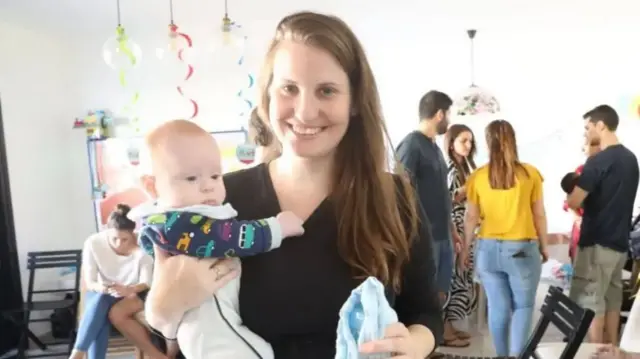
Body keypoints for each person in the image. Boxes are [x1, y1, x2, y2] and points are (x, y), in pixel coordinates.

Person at [150, 11, 443, 359]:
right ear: (268, 97)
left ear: (353, 103)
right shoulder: (219, 201)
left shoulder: (394, 199)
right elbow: (174, 340)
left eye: (327, 91)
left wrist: (416, 344)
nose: (304, 112)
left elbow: (425, 314)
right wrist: (161, 309)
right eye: (289, 88)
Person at [129, 119, 304, 359]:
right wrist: (276, 228)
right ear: (153, 186)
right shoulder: (176, 223)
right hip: (208, 324)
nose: (208, 187)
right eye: (191, 178)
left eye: (215, 176)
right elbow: (227, 238)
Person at [460, 120, 549, 357]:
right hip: (521, 249)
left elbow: (470, 218)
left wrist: (464, 251)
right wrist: (545, 245)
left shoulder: (477, 176)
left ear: (488, 143)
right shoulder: (530, 174)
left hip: (487, 251)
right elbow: (539, 214)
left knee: (498, 307)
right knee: (524, 306)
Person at [566, 105, 640, 344]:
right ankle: (612, 349)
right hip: (619, 243)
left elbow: (575, 200)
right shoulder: (631, 159)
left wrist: (572, 193)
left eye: (588, 128)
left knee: (590, 299)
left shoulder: (597, 161)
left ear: (601, 125)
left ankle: (596, 352)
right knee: (612, 299)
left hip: (597, 242)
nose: (586, 133)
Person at [396, 91, 462, 330]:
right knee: (422, 297)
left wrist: (452, 229)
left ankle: (434, 342)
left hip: (442, 235)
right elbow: (401, 192)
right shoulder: (412, 145)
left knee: (440, 294)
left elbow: (441, 193)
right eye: (449, 114)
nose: (449, 120)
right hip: (423, 237)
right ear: (440, 114)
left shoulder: (434, 148)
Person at [70, 204, 168, 359]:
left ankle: (78, 354)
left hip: (131, 293)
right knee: (101, 302)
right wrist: (102, 288)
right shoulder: (93, 243)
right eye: (114, 238)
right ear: (107, 231)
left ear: (132, 234)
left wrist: (129, 290)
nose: (119, 244)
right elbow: (90, 281)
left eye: (124, 239)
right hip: (100, 291)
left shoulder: (142, 245)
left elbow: (146, 282)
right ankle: (79, 353)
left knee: (101, 309)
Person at [441, 124, 478, 347]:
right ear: (451, 142)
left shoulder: (465, 167)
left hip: (466, 226)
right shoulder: (451, 169)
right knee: (454, 277)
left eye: (470, 141)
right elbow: (448, 199)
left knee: (462, 277)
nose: (468, 145)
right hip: (456, 226)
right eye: (463, 140)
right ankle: (446, 330)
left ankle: (452, 326)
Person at [562, 140, 601, 262]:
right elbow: (568, 201)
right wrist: (577, 217)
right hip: (582, 229)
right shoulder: (580, 171)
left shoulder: (611, 172)